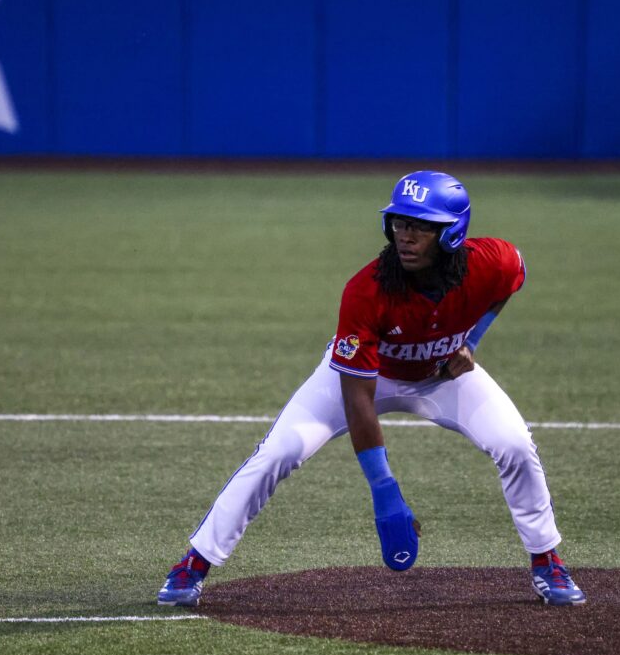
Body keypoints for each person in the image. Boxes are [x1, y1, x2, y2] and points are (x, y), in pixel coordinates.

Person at [157, 171, 585, 607]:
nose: (405, 236)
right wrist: (385, 490)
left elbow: (514, 276)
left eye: (421, 226)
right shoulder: (366, 291)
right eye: (399, 222)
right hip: (368, 378)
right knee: (279, 452)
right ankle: (195, 563)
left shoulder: (492, 262)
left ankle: (546, 559)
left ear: (452, 233)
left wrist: (471, 342)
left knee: (515, 444)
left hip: (440, 376)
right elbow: (358, 398)